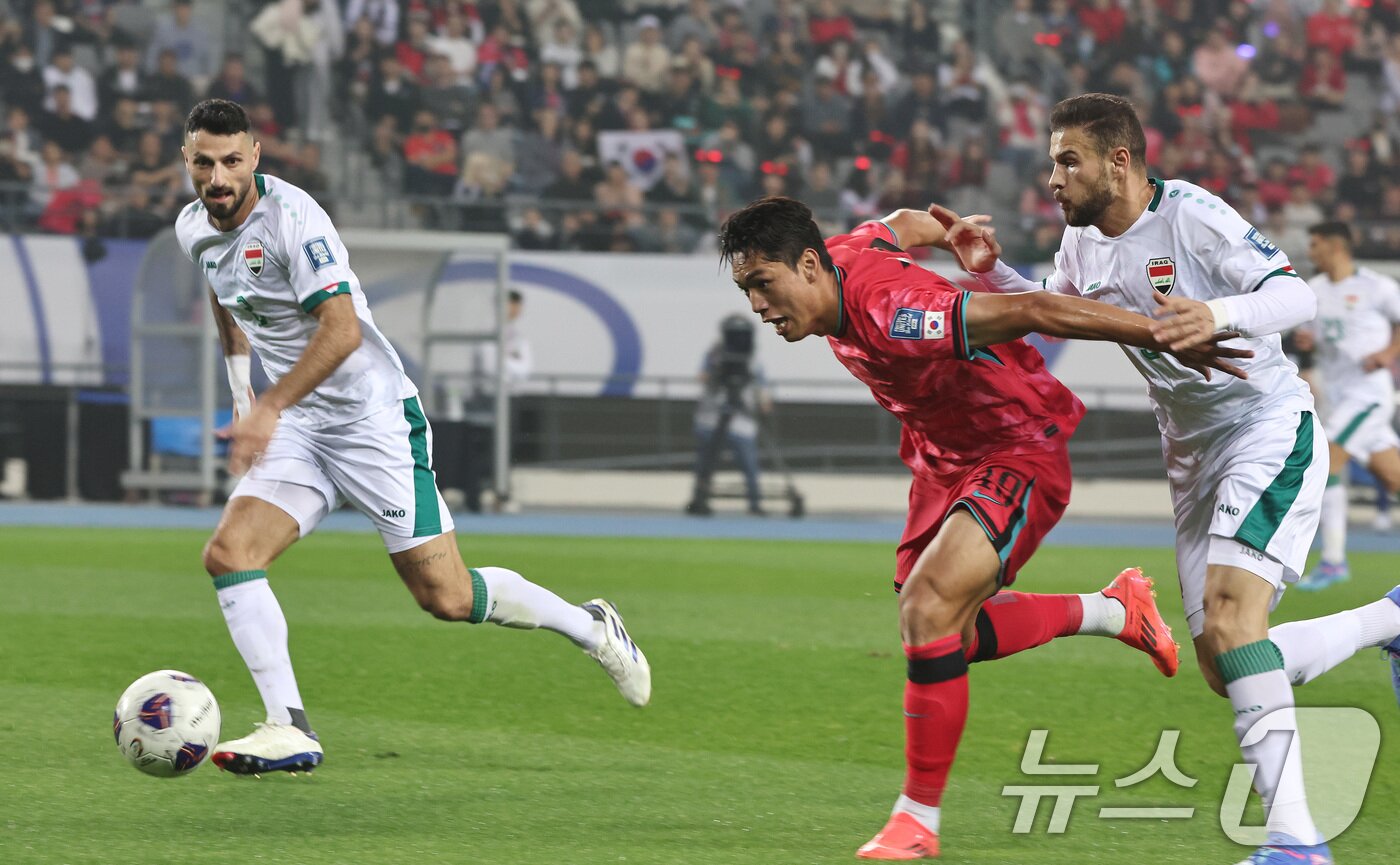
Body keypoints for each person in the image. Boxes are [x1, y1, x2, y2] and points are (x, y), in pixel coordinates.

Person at [718, 195, 1254, 860]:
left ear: (806, 264)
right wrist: (953, 233)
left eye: (762, 284)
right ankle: (1114, 609)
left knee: (928, 606)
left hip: (1015, 442)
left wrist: (1162, 332)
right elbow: (904, 222)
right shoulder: (848, 253)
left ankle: (916, 820)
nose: (758, 306)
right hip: (943, 458)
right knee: (944, 634)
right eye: (746, 289)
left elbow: (1033, 311)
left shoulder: (896, 313)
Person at [941, 92, 1400, 865]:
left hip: (1264, 426)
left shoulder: (1190, 215)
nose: (1052, 177)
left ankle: (1296, 841)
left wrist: (1217, 315)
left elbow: (1297, 293)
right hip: (1190, 454)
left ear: (1118, 160)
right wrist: (997, 276)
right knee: (1228, 663)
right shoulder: (1082, 242)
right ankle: (1389, 620)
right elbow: (1055, 309)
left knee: (1229, 621)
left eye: (1066, 160)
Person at [174, 99, 650, 775]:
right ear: (185, 162)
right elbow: (228, 294)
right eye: (203, 162)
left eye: (230, 160)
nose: (217, 176)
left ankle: (590, 625)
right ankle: (290, 726)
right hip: (300, 424)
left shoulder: (294, 221)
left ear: (254, 156)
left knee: (448, 597)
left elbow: (339, 331)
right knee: (229, 553)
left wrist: (266, 406)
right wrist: (242, 392)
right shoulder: (193, 226)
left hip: (372, 420)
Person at [1294, 221, 1400, 590]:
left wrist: (1388, 352)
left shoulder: (1376, 286)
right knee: (1392, 475)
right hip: (1337, 395)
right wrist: (1307, 343)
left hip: (1368, 394)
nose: (1311, 251)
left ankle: (1334, 561)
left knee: (1328, 461)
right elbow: (1309, 338)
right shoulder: (1315, 290)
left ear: (1335, 247)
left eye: (1315, 244)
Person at [686, 314, 769, 516]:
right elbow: (702, 377)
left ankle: (755, 503)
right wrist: (716, 372)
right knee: (705, 462)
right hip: (712, 419)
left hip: (742, 422)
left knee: (749, 465)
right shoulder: (714, 355)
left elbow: (761, 385)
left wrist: (764, 401)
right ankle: (699, 498)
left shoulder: (752, 359)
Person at [461, 289, 532, 512]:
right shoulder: (487, 330)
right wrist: (511, 365)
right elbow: (491, 367)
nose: (515, 310)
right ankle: (478, 494)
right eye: (511, 304)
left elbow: (526, 368)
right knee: (487, 450)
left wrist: (507, 365)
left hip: (510, 397)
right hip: (488, 398)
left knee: (506, 448)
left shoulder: (517, 335)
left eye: (517, 305)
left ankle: (500, 495)